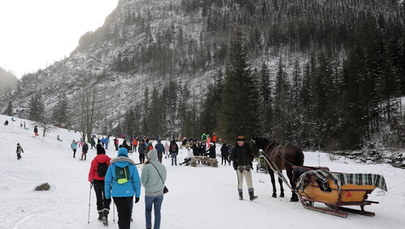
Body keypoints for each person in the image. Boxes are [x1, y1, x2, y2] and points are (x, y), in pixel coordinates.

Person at [104, 148, 141, 229]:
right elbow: (137, 181)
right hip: (129, 193)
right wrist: (137, 195)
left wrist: (107, 196)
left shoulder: (112, 166)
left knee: (120, 213)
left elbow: (107, 182)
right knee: (127, 214)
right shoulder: (131, 166)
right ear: (126, 154)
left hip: (116, 193)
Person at [141, 149, 167, 229]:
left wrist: (148, 186)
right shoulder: (162, 166)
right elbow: (164, 179)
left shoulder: (146, 167)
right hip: (160, 193)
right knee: (158, 211)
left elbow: (143, 181)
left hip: (149, 193)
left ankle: (148, 226)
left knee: (148, 210)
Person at [88, 144, 111, 225]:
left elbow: (91, 172)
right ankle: (106, 213)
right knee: (106, 197)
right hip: (106, 181)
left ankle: (100, 214)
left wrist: (90, 180)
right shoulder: (108, 160)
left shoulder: (94, 161)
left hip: (97, 181)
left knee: (99, 198)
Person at [229, 136, 258, 201]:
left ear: (243, 141)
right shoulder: (235, 148)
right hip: (239, 168)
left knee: (249, 181)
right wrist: (236, 160)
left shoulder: (247, 147)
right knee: (240, 182)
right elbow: (230, 157)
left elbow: (251, 155)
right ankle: (240, 195)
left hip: (247, 167)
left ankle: (251, 196)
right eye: (238, 141)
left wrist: (250, 158)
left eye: (241, 141)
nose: (240, 142)